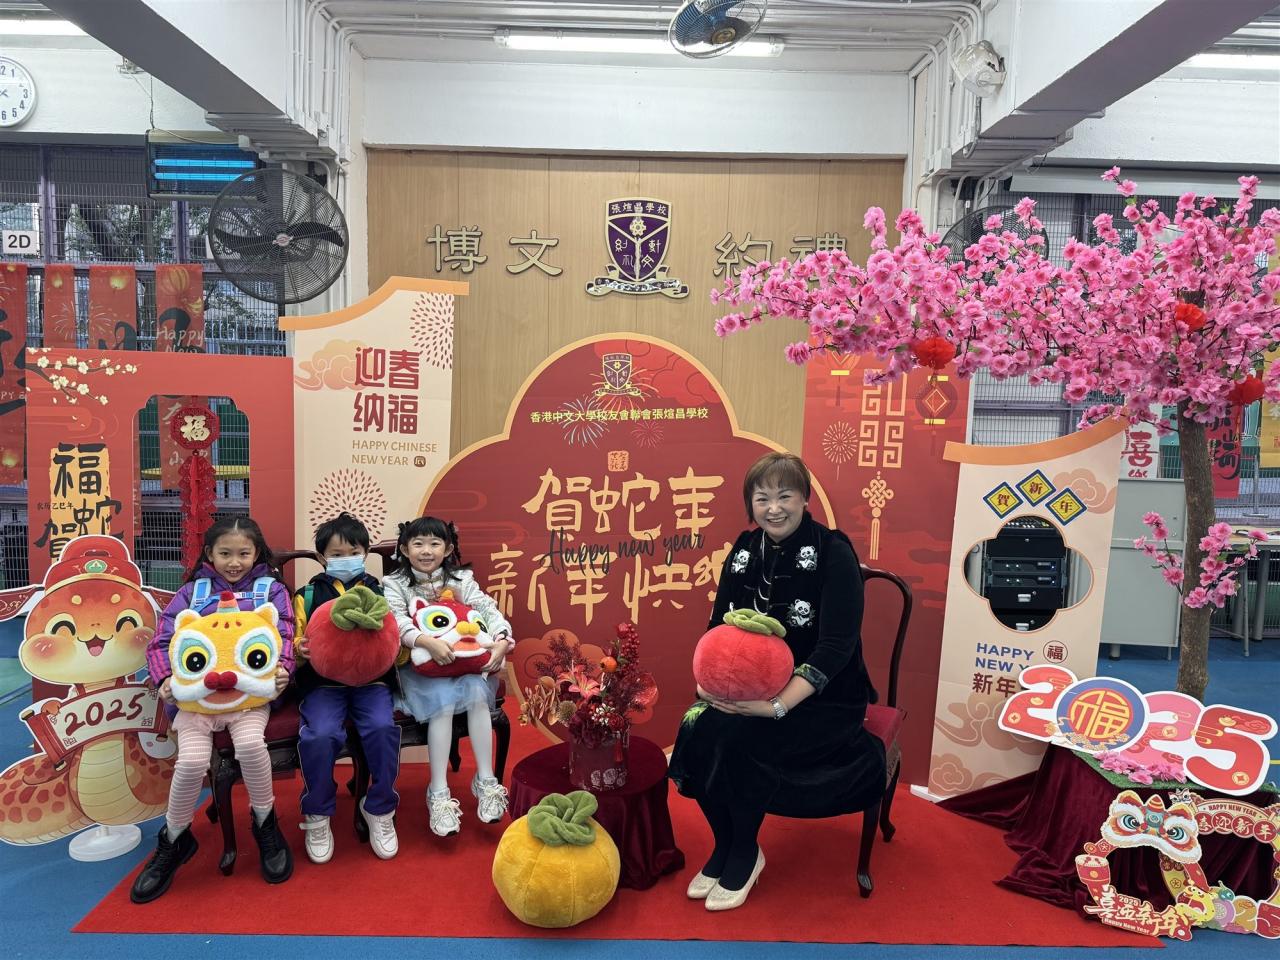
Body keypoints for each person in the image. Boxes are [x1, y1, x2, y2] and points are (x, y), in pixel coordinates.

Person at [668, 452, 886, 912]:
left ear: (805, 499)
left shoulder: (833, 551)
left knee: (741, 739)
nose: (774, 508)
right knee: (695, 726)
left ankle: (745, 853)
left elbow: (837, 646)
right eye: (762, 498)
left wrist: (777, 705)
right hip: (748, 688)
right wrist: (710, 684)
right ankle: (727, 843)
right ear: (750, 503)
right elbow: (718, 625)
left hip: (823, 699)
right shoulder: (745, 549)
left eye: (784, 496)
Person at [133, 516, 296, 903]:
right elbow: (162, 641)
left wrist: (283, 671)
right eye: (225, 553)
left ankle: (264, 822)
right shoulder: (191, 593)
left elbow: (285, 634)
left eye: (243, 553)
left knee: (251, 746)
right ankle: (175, 838)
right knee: (191, 763)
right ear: (209, 553)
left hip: (248, 701)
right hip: (196, 703)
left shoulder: (271, 591)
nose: (234, 562)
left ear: (257, 554)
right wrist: (164, 679)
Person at [384, 516, 513, 837]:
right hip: (420, 667)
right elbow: (396, 621)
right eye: (418, 544)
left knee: (476, 692)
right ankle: (438, 791)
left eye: (434, 543)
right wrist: (426, 642)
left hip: (462, 661)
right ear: (405, 549)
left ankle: (486, 781)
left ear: (448, 548)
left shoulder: (461, 579)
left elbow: (486, 608)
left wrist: (502, 639)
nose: (426, 551)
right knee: (442, 702)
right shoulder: (394, 583)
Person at [293, 512, 401, 864]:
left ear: (366, 552)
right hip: (323, 684)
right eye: (336, 554)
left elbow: (394, 634)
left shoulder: (381, 592)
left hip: (372, 682)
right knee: (320, 734)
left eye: (353, 552)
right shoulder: (307, 594)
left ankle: (380, 807)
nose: (346, 559)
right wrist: (298, 648)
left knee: (383, 728)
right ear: (321, 557)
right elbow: (293, 637)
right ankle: (318, 810)